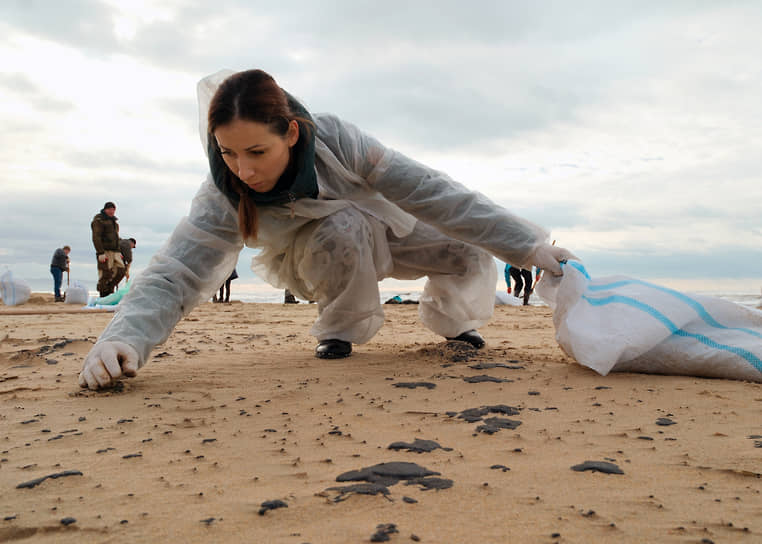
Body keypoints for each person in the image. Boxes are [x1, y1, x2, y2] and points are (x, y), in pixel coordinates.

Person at [79, 68, 576, 389]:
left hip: (389, 231)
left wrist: (527, 245)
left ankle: (455, 323)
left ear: (290, 133)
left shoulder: (338, 140)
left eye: (257, 152)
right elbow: (177, 270)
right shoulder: (222, 192)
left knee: (467, 246)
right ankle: (338, 332)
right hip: (316, 255)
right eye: (228, 153)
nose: (243, 170)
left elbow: (433, 192)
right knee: (340, 224)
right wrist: (124, 338)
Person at [91, 202, 125, 297]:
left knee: (121, 270)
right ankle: (103, 294)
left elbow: (116, 238)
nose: (112, 211)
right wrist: (100, 252)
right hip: (104, 251)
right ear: (105, 209)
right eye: (110, 209)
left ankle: (110, 288)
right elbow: (96, 237)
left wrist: (119, 251)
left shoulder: (114, 222)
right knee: (105, 272)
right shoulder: (99, 221)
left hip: (115, 251)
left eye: (113, 210)